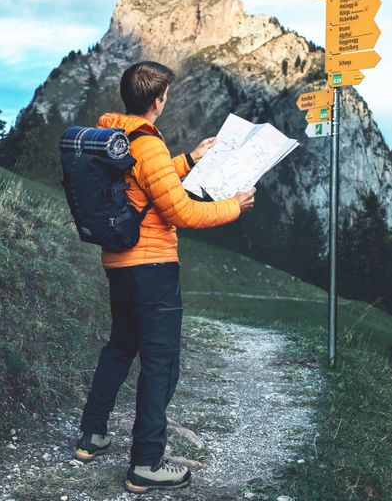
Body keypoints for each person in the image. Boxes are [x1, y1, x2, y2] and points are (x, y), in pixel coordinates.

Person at [74, 61, 256, 494]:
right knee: (161, 365)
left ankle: (92, 435)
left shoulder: (112, 137)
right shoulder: (147, 145)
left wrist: (190, 159)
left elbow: (141, 186)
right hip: (153, 267)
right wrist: (233, 206)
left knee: (120, 347)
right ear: (159, 100)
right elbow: (181, 211)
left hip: (119, 263)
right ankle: (146, 463)